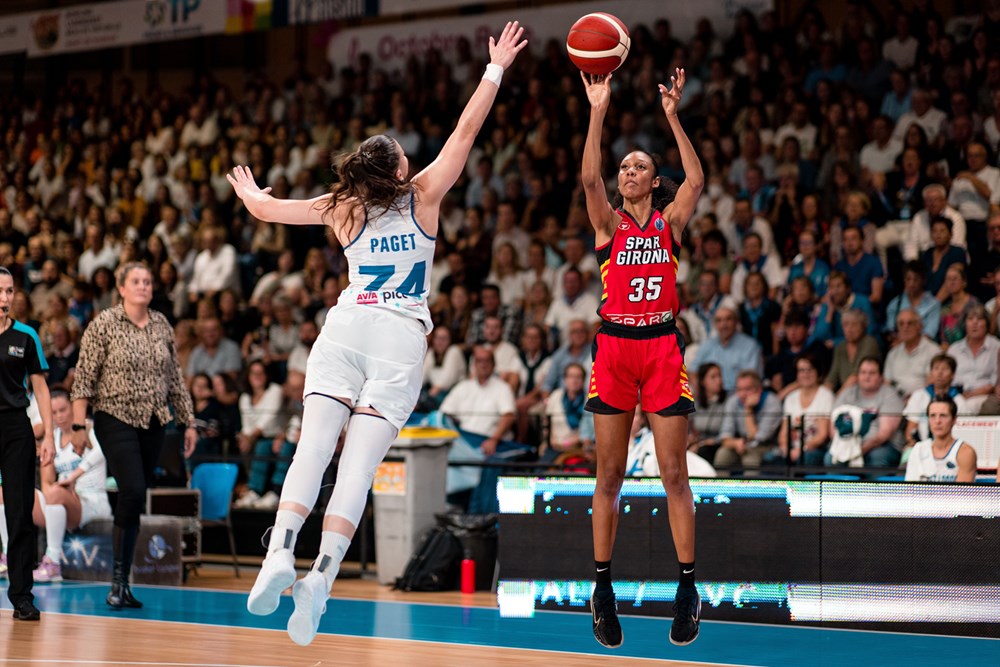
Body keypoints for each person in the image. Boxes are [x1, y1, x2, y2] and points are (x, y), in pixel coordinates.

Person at [227, 22, 527, 647]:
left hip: (344, 327)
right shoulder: (423, 195)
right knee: (357, 470)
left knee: (312, 449)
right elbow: (466, 131)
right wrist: (494, 68)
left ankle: (279, 552)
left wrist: (252, 193)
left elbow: (264, 211)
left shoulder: (343, 207)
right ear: (396, 167)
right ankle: (320, 582)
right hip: (399, 335)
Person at [581, 67, 704, 648]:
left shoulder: (669, 220)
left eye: (639, 167)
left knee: (674, 474)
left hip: (660, 345)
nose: (627, 172)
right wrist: (598, 109)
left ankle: (687, 588)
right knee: (608, 474)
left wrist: (674, 117)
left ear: (655, 184)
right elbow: (587, 179)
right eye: (624, 166)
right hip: (614, 347)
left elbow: (698, 181)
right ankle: (602, 588)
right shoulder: (606, 223)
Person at [70, 262, 197, 610]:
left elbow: (174, 378)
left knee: (135, 498)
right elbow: (84, 378)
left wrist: (188, 423)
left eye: (148, 281)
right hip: (114, 416)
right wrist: (78, 425)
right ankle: (117, 580)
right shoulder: (104, 324)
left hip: (155, 420)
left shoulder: (161, 324)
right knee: (133, 488)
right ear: (121, 287)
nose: (143, 286)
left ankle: (123, 584)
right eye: (136, 281)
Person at [0, 266, 54, 621]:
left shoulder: (25, 336)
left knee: (20, 512)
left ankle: (21, 595)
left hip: (15, 428)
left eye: (9, 291)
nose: (5, 298)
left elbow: (40, 386)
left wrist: (48, 433)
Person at [29, 390, 112, 582]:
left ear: (73, 408)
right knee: (11, 495)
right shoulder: (53, 439)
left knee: (55, 494)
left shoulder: (91, 429)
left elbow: (103, 451)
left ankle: (53, 563)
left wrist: (74, 476)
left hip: (92, 500)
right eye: (54, 412)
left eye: (63, 410)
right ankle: (9, 556)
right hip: (62, 502)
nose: (59, 416)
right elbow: (47, 483)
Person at [904, 396, 977, 482]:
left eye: (943, 415)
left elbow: (962, 494)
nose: (937, 421)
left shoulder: (966, 452)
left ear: (954, 420)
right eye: (933, 416)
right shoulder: (919, 449)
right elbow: (910, 490)